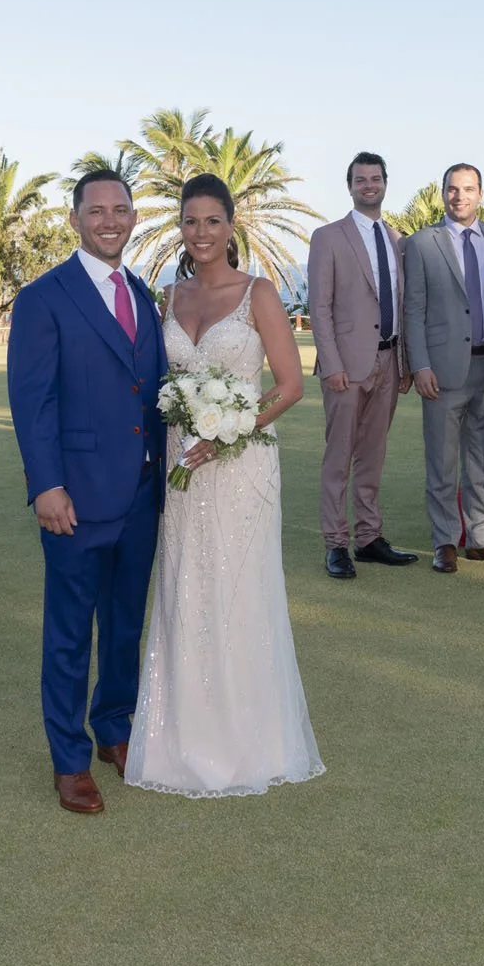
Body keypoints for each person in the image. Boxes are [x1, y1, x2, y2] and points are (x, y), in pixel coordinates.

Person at [127, 174, 323, 796]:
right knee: (185, 583)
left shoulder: (258, 293)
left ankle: (249, 742)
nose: (201, 232)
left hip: (242, 467)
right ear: (180, 228)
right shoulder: (168, 297)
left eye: (212, 220)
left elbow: (289, 386)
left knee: (239, 587)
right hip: (182, 467)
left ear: (231, 226)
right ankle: (178, 739)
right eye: (190, 221)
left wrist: (230, 431)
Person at [8, 170, 168, 815]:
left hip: (141, 494)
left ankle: (114, 727)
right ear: (74, 218)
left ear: (134, 218)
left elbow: (150, 390)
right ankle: (69, 759)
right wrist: (47, 484)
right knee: (70, 633)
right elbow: (32, 401)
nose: (110, 220)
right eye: (96, 210)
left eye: (120, 209)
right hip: (74, 497)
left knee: (125, 624)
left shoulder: (142, 292)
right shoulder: (43, 298)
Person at [303, 152, 418, 579]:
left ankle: (369, 538)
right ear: (350, 186)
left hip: (389, 361)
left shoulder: (397, 239)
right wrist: (331, 364)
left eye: (375, 178)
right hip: (346, 368)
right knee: (339, 458)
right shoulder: (328, 237)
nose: (369, 185)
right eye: (360, 179)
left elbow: (403, 304)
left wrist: (405, 363)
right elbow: (319, 307)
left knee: (373, 456)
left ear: (385, 183)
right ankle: (336, 544)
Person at [403, 164, 484, 572]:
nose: (460, 196)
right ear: (443, 194)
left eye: (468, 189)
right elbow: (413, 309)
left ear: (481, 194)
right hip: (443, 370)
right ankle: (445, 541)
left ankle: (482, 538)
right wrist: (420, 365)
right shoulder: (422, 243)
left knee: (480, 461)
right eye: (453, 189)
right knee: (442, 462)